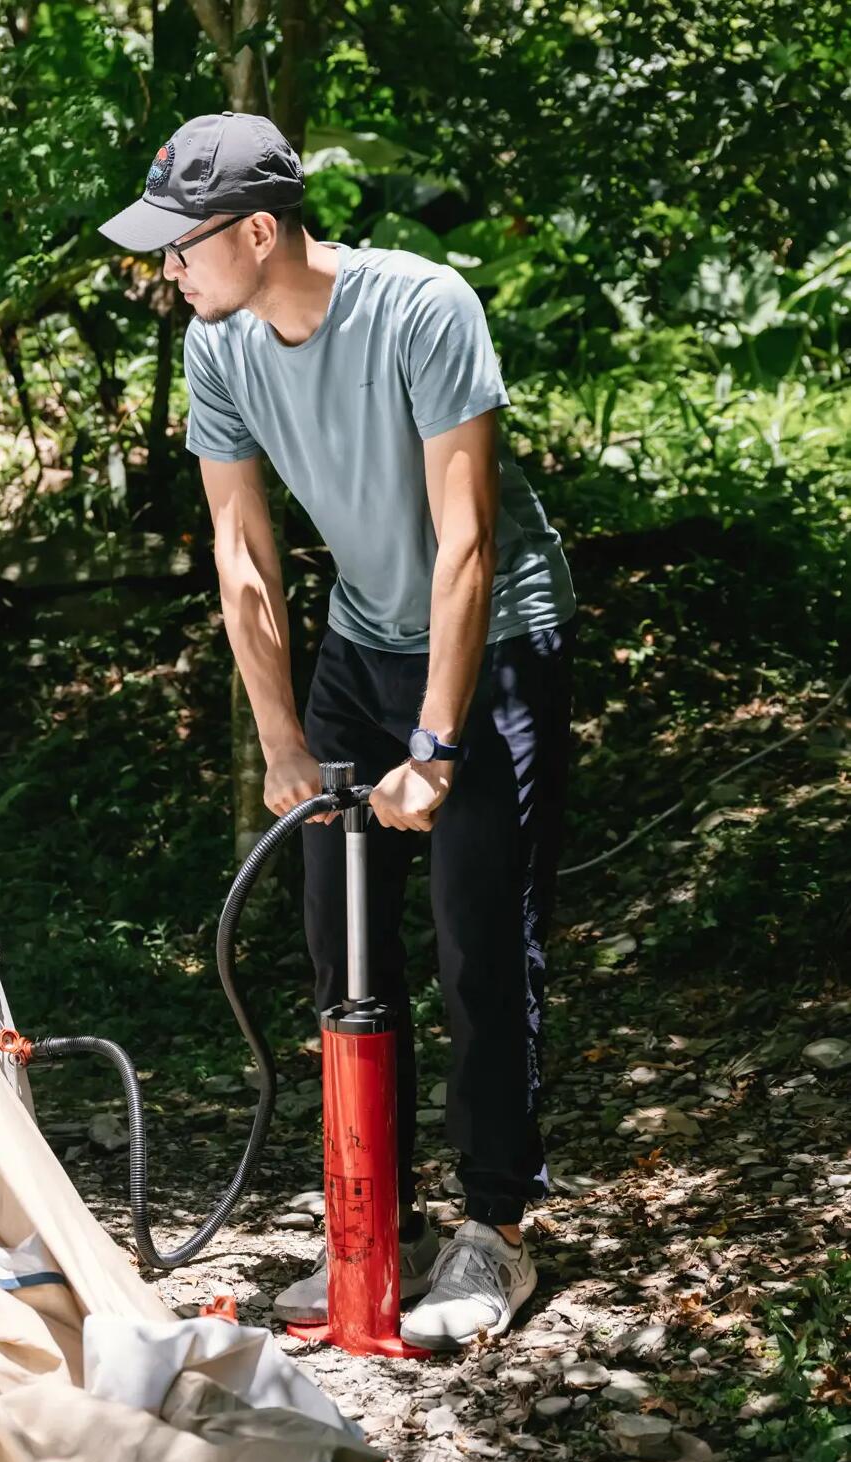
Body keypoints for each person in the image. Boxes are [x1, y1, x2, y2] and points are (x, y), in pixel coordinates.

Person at [98, 111, 577, 1350]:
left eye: (182, 246)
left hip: (496, 642)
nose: (169, 271)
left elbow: (466, 545)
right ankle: (383, 1225)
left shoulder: (422, 309)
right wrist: (281, 741)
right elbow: (243, 555)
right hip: (363, 650)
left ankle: (496, 1231)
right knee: (341, 953)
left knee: (476, 937)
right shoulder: (224, 344)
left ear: (259, 229)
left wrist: (436, 746)